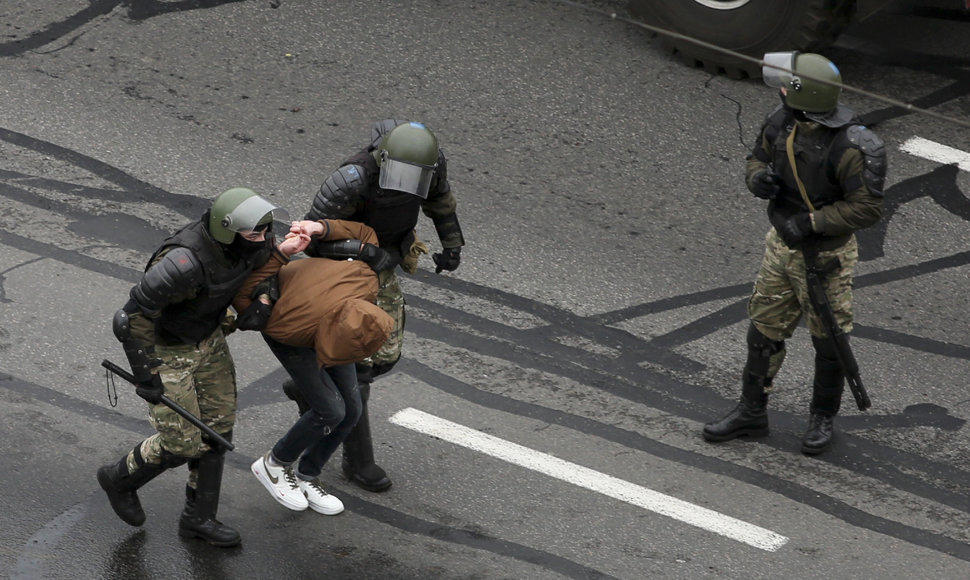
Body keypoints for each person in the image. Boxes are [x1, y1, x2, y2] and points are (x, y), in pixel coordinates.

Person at [97, 187, 304, 547]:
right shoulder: (182, 262)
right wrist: (147, 375)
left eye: (266, 231)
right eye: (255, 233)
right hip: (168, 350)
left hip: (208, 341)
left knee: (218, 431)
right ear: (227, 230)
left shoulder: (250, 244)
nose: (264, 239)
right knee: (181, 443)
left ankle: (198, 519)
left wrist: (264, 297)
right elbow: (132, 317)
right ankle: (119, 478)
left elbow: (263, 270)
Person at [702, 52, 886, 455]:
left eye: (788, 85)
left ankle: (822, 418)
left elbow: (867, 207)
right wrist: (758, 179)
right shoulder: (781, 121)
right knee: (764, 329)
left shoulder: (855, 146)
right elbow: (757, 158)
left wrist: (812, 223)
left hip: (826, 257)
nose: (781, 89)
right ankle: (751, 411)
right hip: (781, 247)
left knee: (829, 342)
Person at [284, 119, 466, 492]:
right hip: (344, 270)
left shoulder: (430, 165)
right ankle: (358, 462)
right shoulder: (351, 178)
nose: (406, 183)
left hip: (385, 262)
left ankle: (311, 388)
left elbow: (440, 201)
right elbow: (311, 238)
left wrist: (452, 244)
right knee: (360, 364)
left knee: (385, 354)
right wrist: (365, 251)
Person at [232, 218, 394, 514]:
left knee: (352, 409)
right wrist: (282, 254)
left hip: (333, 318)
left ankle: (307, 475)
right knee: (330, 410)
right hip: (290, 333)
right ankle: (273, 464)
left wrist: (321, 228)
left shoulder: (367, 280)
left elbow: (365, 231)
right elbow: (244, 293)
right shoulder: (289, 327)